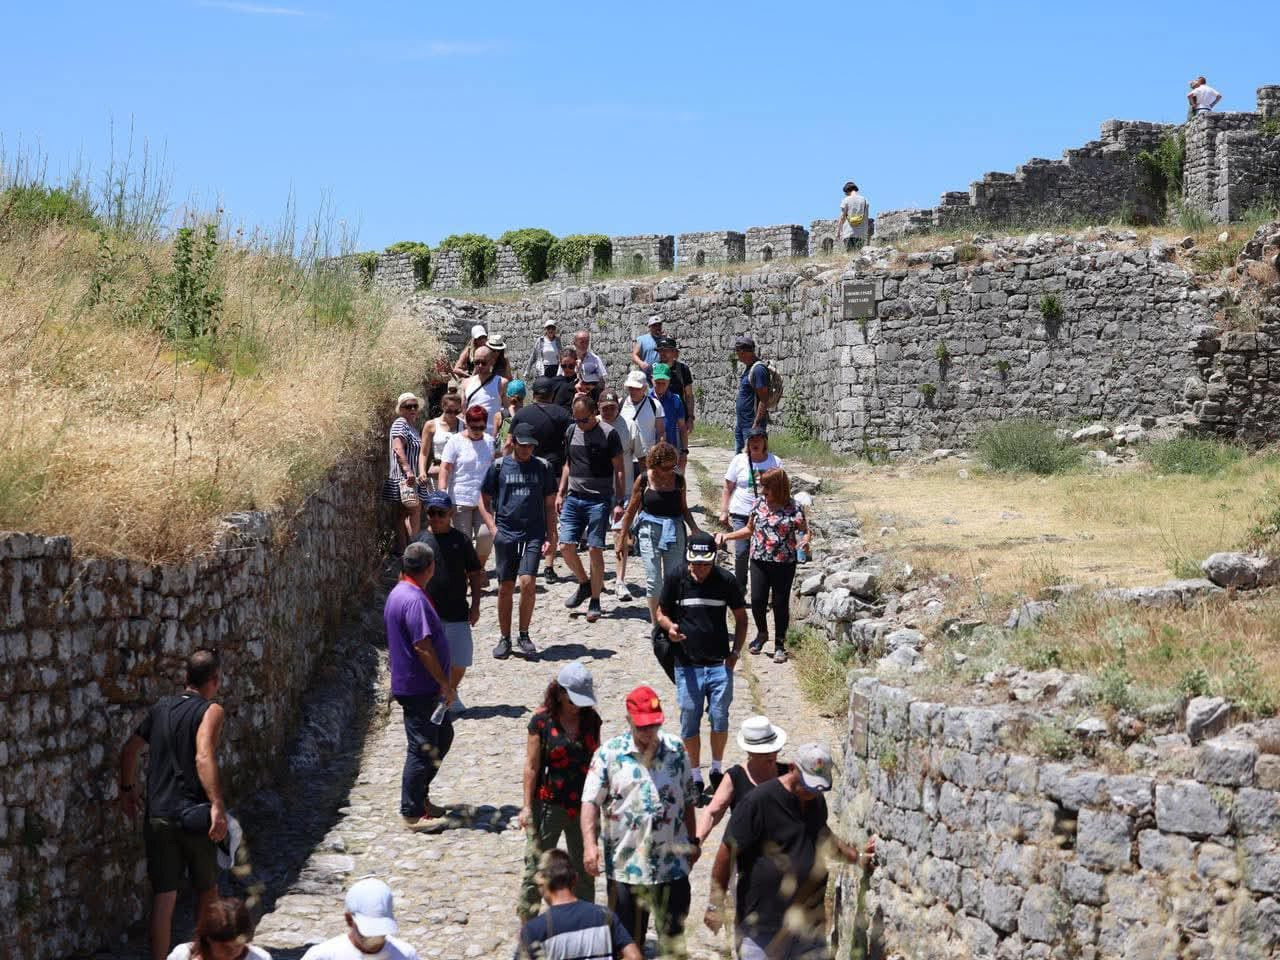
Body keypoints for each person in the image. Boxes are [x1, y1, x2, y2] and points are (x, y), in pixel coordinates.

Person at [713, 744, 876, 960]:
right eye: (808, 784)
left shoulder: (815, 801)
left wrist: (858, 858)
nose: (812, 792)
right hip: (763, 928)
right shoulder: (758, 802)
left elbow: (823, 835)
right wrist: (714, 903)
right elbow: (727, 851)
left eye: (818, 787)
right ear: (792, 768)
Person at [119, 648, 230, 960]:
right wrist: (217, 805)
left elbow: (130, 750)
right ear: (215, 680)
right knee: (208, 891)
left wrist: (127, 788)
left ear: (185, 678)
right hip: (194, 816)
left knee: (164, 898)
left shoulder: (160, 708)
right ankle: (204, 957)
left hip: (159, 815)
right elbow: (203, 755)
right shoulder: (211, 711)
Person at [582, 685, 701, 957]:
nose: (649, 733)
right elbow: (590, 802)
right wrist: (590, 845)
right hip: (627, 868)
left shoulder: (677, 750)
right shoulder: (609, 755)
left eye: (654, 726)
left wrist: (693, 841)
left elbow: (689, 799)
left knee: (673, 942)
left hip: (671, 867)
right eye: (643, 727)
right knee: (628, 944)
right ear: (629, 720)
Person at [655, 531, 748, 805]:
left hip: (720, 665)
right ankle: (695, 776)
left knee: (719, 718)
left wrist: (735, 653)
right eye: (694, 564)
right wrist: (669, 627)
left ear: (714, 560)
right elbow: (661, 612)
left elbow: (741, 619)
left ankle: (717, 770)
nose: (699, 570)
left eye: (705, 564)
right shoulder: (677, 578)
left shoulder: (726, 582)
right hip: (687, 665)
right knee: (689, 720)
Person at [518, 662, 603, 920]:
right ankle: (529, 925)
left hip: (583, 807)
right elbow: (532, 767)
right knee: (536, 867)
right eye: (572, 700)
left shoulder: (591, 720)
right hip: (549, 805)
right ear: (559, 692)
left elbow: (596, 762)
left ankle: (584, 921)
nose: (577, 706)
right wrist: (527, 806)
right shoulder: (541, 721)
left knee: (585, 867)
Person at [384, 542, 455, 830]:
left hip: (417, 686)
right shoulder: (413, 599)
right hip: (420, 687)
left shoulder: (399, 593)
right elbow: (422, 646)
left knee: (442, 737)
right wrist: (444, 683)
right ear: (431, 567)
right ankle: (412, 811)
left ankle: (420, 796)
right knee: (422, 748)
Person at [482, 423, 558, 659]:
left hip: (533, 533)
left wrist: (551, 535)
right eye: (522, 445)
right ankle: (504, 637)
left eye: (530, 446)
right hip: (506, 533)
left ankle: (523, 634)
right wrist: (493, 528)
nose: (526, 450)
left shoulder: (543, 468)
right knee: (505, 587)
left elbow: (549, 505)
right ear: (513, 443)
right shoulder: (498, 467)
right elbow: (483, 498)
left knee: (527, 583)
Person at [719, 467, 808, 664]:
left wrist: (805, 541)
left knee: (780, 603)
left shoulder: (794, 507)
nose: (762, 490)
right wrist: (727, 536)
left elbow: (804, 531)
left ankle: (779, 644)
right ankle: (761, 634)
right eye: (761, 485)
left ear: (777, 486)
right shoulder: (759, 504)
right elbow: (749, 529)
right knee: (757, 600)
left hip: (784, 562)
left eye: (766, 486)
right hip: (759, 559)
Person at [413, 491, 485, 713]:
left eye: (440, 513)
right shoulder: (419, 542)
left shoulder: (461, 541)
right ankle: (437, 698)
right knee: (429, 660)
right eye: (431, 513)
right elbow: (406, 578)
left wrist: (475, 605)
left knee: (461, 660)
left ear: (451, 513)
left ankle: (448, 692)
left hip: (456, 611)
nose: (435, 517)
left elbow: (474, 573)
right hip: (427, 614)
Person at [558, 395, 625, 623]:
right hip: (574, 497)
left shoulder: (609, 434)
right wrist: (560, 492)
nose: (580, 424)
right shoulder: (571, 432)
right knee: (566, 545)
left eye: (584, 420)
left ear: (594, 412)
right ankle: (584, 583)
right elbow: (568, 464)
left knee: (595, 548)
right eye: (576, 420)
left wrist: (619, 502)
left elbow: (619, 469)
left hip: (599, 499)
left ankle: (595, 599)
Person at [617, 441, 697, 624]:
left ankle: (670, 619)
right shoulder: (644, 479)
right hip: (649, 530)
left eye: (672, 466)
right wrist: (623, 536)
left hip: (674, 530)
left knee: (673, 578)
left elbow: (684, 508)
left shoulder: (678, 480)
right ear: (655, 464)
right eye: (665, 467)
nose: (669, 470)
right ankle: (656, 623)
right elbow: (630, 510)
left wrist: (694, 528)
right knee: (654, 580)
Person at [517, 849, 642, 960]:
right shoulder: (605, 916)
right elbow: (635, 957)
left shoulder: (533, 930)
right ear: (575, 879)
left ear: (542, 886)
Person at [510, 378, 574, 581]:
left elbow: (510, 441)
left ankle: (525, 560)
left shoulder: (521, 414)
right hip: (554, 471)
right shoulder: (563, 414)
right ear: (552, 394)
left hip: (527, 471)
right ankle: (548, 565)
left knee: (525, 516)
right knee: (550, 519)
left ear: (533, 394)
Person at [695, 715, 789, 843]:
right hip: (748, 852)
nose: (771, 755)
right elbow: (712, 812)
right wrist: (696, 842)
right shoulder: (735, 777)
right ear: (750, 752)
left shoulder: (788, 774)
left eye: (774, 749)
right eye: (763, 753)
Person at [719, 428, 782, 591]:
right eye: (752, 440)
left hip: (767, 514)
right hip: (741, 513)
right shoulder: (739, 460)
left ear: (765, 442)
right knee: (741, 552)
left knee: (766, 553)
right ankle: (740, 588)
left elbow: (782, 488)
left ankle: (762, 589)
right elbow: (728, 487)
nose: (755, 443)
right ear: (747, 443)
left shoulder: (775, 462)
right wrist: (724, 511)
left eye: (759, 440)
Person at [300, 877, 419, 960]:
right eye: (368, 932)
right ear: (349, 920)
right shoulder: (322, 956)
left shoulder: (406, 955)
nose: (375, 939)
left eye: (381, 930)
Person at [438, 404, 496, 570]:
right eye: (474, 427)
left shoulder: (489, 442)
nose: (478, 430)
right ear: (466, 424)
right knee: (464, 541)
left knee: (485, 537)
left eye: (481, 427)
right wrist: (442, 491)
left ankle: (478, 568)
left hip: (484, 499)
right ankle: (468, 575)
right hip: (460, 498)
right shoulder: (455, 442)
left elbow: (493, 467)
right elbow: (445, 467)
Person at [599, 390, 643, 602]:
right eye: (604, 408)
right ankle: (595, 579)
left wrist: (644, 486)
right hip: (596, 491)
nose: (608, 412)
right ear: (598, 408)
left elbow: (642, 457)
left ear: (618, 407)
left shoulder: (629, 426)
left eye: (612, 408)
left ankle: (619, 580)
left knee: (620, 535)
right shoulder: (592, 426)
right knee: (595, 540)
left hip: (622, 491)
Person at [383, 392, 424, 553]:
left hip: (408, 476)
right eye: (408, 406)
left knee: (404, 513)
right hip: (404, 477)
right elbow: (398, 448)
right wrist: (408, 470)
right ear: (401, 409)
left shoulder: (410, 425)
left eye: (415, 406)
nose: (413, 409)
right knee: (414, 510)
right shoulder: (401, 423)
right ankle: (415, 549)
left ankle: (404, 549)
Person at [166, 897, 270, 960]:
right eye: (225, 947)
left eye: (238, 945)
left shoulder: (260, 958)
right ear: (208, 938)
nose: (232, 952)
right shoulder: (182, 955)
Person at [621, 370, 663, 476]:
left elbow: (661, 432)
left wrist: (657, 453)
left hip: (647, 459)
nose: (633, 391)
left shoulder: (655, 405)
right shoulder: (620, 404)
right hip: (625, 459)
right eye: (631, 388)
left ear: (644, 388)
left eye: (637, 388)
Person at [459, 346, 508, 435]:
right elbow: (463, 411)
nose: (480, 366)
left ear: (492, 362)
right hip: (470, 435)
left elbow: (508, 410)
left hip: (491, 436)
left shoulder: (501, 383)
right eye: (477, 362)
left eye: (484, 362)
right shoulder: (466, 383)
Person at [733, 336, 771, 454]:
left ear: (742, 352)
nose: (737, 355)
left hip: (751, 424)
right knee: (741, 460)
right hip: (742, 423)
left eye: (737, 351)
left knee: (752, 459)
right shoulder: (749, 369)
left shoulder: (758, 370)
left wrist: (756, 424)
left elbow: (764, 399)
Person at [420, 391, 461, 492]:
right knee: (438, 506)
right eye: (449, 411)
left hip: (457, 474)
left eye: (456, 411)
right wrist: (422, 471)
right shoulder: (431, 425)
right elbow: (424, 452)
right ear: (443, 407)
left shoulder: (463, 425)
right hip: (437, 472)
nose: (453, 414)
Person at [650, 364, 688, 472]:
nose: (660, 386)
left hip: (671, 454)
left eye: (664, 383)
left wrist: (684, 452)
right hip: (650, 454)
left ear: (669, 381)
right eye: (658, 382)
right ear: (652, 378)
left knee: (674, 485)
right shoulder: (645, 399)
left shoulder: (676, 400)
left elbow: (682, 428)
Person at [655, 336, 695, 435]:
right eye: (660, 351)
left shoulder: (683, 370)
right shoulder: (653, 369)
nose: (662, 353)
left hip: (678, 419)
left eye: (666, 350)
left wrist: (690, 418)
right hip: (658, 419)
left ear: (674, 352)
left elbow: (689, 395)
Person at [574, 329, 608, 400]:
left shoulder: (595, 359)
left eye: (587, 342)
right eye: (582, 342)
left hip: (592, 396)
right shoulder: (569, 359)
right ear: (575, 343)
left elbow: (602, 380)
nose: (585, 345)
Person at [838, 181, 870, 252]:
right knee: (858, 254)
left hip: (848, 231)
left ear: (847, 190)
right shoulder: (864, 200)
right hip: (860, 232)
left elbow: (842, 217)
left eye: (845, 193)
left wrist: (839, 231)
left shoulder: (846, 200)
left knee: (850, 254)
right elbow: (866, 217)